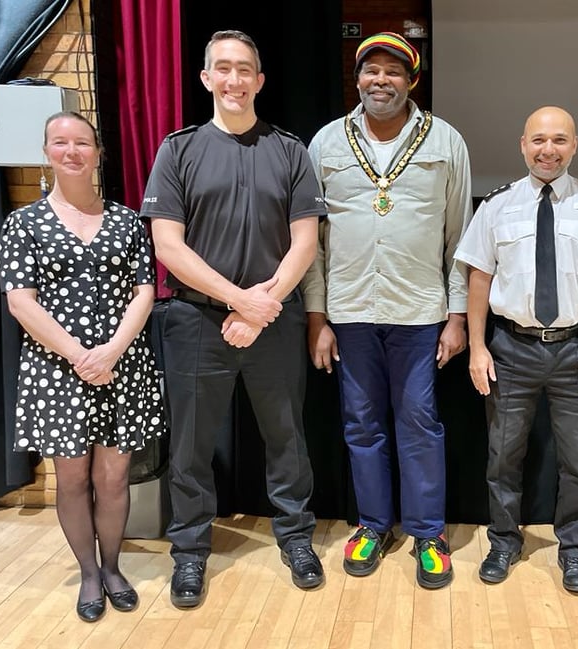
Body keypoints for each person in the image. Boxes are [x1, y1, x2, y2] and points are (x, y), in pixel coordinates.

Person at [140, 30, 325, 607]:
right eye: (223, 69)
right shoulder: (178, 149)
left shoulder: (291, 150)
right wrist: (236, 301)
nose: (234, 80)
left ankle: (295, 537)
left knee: (287, 437)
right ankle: (190, 552)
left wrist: (261, 306)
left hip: (274, 321)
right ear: (206, 79)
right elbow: (167, 245)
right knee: (191, 445)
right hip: (197, 323)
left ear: (260, 80)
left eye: (245, 69)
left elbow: (305, 242)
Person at [302, 32, 472, 589]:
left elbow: (459, 238)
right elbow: (311, 241)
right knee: (362, 424)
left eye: (393, 73)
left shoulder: (446, 142)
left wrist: (457, 315)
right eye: (371, 71)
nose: (381, 81)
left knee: (419, 422)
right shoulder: (326, 143)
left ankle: (428, 533)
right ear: (357, 79)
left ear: (412, 80)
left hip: (419, 311)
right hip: (349, 311)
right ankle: (372, 525)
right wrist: (317, 316)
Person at [455, 106, 578, 592]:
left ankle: (574, 550)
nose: (548, 149)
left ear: (574, 146)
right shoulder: (496, 206)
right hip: (510, 350)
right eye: (538, 140)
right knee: (502, 457)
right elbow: (478, 281)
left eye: (559, 140)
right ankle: (504, 542)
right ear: (522, 144)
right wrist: (476, 347)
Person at [0, 111, 165, 622]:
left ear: (97, 152)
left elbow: (145, 290)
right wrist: (79, 355)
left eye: (82, 143)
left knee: (114, 479)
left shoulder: (127, 220)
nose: (72, 151)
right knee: (71, 480)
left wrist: (111, 351)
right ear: (46, 152)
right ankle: (88, 574)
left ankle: (113, 567)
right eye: (59, 143)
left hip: (122, 364)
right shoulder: (23, 223)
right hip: (57, 370)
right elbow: (21, 303)